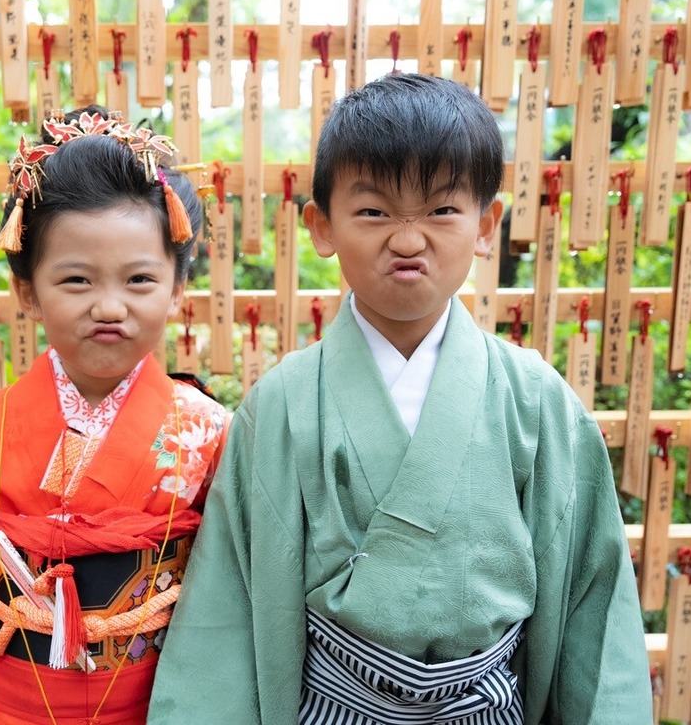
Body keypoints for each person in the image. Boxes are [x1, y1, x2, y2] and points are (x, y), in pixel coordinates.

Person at [149, 74, 651, 723]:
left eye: (441, 211)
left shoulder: (537, 402)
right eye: (374, 212)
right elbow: (226, 614)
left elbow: (594, 611)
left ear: (485, 226)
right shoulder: (280, 408)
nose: (408, 240)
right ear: (322, 227)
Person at [0, 109, 227, 725]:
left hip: (158, 704)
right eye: (76, 280)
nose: (110, 307)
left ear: (177, 288)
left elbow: (229, 598)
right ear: (27, 291)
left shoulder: (208, 432)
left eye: (140, 279)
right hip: (17, 705)